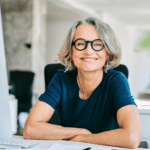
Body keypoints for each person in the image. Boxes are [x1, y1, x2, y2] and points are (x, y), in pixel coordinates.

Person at [23, 17, 141, 148]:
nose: (89, 51)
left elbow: (132, 137)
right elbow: (30, 129)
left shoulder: (116, 80)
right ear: (71, 50)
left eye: (97, 44)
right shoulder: (61, 79)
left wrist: (86, 138)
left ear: (108, 53)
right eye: (80, 43)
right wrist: (80, 132)